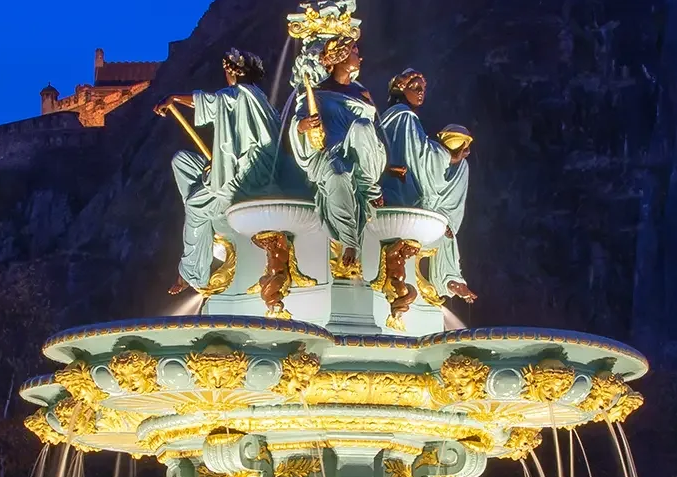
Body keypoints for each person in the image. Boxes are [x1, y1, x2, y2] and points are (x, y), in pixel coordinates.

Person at [163, 48, 277, 295]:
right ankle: (209, 213)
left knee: (194, 206)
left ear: (230, 72)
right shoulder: (258, 97)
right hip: (240, 166)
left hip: (245, 177)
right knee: (182, 161)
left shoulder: (235, 95)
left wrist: (174, 98)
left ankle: (193, 272)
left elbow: (208, 101)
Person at [375, 69, 476, 304]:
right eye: (416, 88)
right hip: (400, 187)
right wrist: (449, 156)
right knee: (460, 169)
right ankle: (448, 274)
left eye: (423, 89)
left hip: (402, 182)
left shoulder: (401, 117)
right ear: (401, 89)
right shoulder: (404, 117)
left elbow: (420, 152)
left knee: (444, 229)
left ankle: (449, 275)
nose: (421, 94)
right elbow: (420, 157)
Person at [286, 41, 383, 279]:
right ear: (339, 58)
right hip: (329, 153)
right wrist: (302, 126)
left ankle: (370, 188)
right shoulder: (316, 92)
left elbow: (375, 130)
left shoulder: (363, 94)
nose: (360, 59)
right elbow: (299, 120)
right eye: (354, 53)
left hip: (364, 151)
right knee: (337, 174)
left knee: (362, 126)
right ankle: (350, 241)